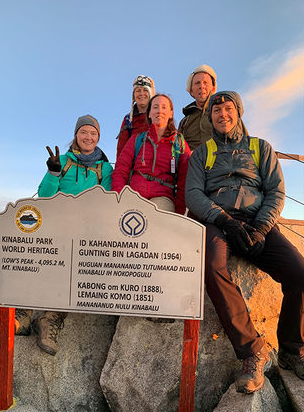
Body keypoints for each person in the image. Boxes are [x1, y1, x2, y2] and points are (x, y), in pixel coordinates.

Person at [185, 91, 304, 393]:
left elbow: (276, 191)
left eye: (228, 109)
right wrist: (224, 220)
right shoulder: (203, 153)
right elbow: (193, 195)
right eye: (216, 111)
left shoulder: (260, 148)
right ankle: (252, 352)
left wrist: (262, 228)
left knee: (302, 273)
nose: (222, 115)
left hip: (257, 223)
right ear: (209, 117)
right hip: (220, 223)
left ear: (238, 113)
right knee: (212, 268)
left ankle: (292, 349)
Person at [16, 114, 113, 355]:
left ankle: (50, 319)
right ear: (76, 135)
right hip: (58, 221)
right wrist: (52, 173)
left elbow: (109, 200)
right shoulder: (62, 160)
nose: (88, 137)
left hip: (86, 227)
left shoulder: (105, 168)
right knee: (41, 256)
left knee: (74, 265)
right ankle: (24, 315)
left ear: (98, 137)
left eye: (93, 133)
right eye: (84, 132)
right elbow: (44, 196)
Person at [112, 93, 191, 215]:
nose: (159, 111)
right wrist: (119, 197)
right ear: (149, 113)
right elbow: (120, 170)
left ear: (171, 113)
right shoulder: (136, 140)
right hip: (134, 195)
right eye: (155, 107)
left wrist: (179, 212)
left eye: (164, 107)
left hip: (164, 198)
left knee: (157, 223)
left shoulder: (179, 144)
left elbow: (184, 179)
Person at [178, 65, 217, 150]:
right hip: (193, 162)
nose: (201, 86)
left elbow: (241, 144)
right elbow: (178, 152)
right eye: (197, 83)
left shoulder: (224, 113)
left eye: (205, 82)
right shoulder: (184, 122)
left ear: (213, 89)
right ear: (191, 91)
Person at [115, 75, 155, 158]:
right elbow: (121, 149)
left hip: (156, 165)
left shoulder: (157, 116)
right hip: (134, 167)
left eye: (145, 90)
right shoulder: (128, 119)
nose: (142, 93)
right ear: (133, 95)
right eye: (138, 90)